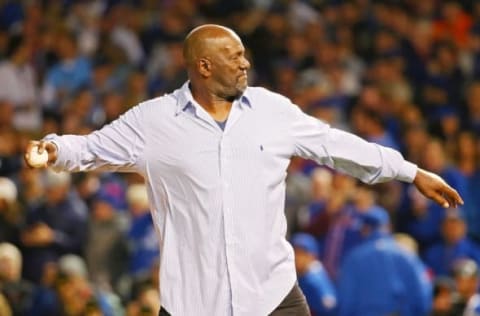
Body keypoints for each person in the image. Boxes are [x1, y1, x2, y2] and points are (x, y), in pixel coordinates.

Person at [24, 24, 463, 316]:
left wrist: (409, 171)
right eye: (233, 57)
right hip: (194, 304)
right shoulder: (152, 122)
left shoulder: (272, 110)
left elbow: (336, 145)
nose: (245, 63)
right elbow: (91, 147)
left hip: (274, 297)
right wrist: (52, 148)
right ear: (203, 66)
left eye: (244, 55)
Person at [337, 208, 432, 316]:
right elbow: (422, 294)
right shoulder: (405, 254)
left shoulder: (354, 258)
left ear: (365, 228)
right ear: (387, 227)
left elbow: (345, 300)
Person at [291, 233, 336, 316]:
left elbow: (330, 305)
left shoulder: (315, 278)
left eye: (302, 253)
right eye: (295, 252)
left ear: (313, 256)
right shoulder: (296, 274)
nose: (297, 257)